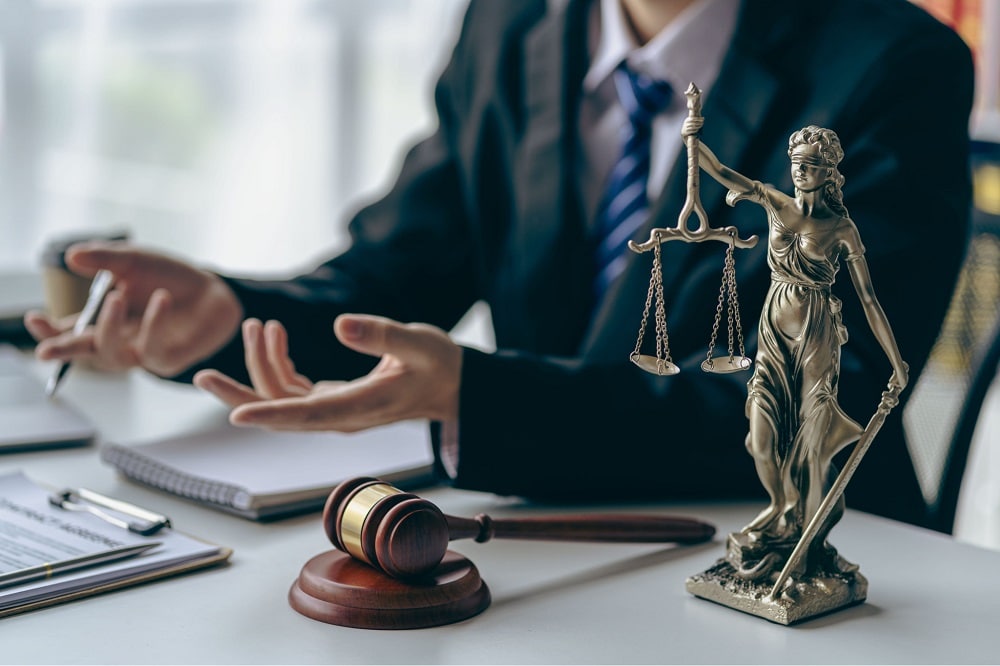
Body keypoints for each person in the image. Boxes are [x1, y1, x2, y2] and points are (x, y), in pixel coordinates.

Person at [25, 0, 973, 529]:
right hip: (561, 551)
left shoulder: (893, 62)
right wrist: (228, 313)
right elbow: (385, 286)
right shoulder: (513, 28)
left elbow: (818, 402)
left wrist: (478, 399)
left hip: (810, 559)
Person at [688, 119, 910, 578]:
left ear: (829, 172)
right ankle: (781, 506)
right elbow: (723, 172)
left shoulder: (842, 229)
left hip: (816, 336)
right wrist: (694, 140)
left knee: (811, 441)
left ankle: (806, 541)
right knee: (760, 438)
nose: (801, 172)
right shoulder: (775, 202)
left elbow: (868, 300)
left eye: (811, 165)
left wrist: (896, 362)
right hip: (772, 334)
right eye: (796, 164)